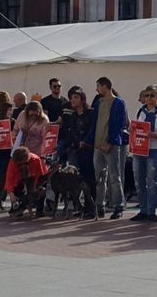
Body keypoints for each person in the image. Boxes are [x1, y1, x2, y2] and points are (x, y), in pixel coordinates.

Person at [86, 76, 128, 219]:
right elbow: (95, 123)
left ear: (105, 86)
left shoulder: (118, 103)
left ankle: (118, 205)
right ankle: (99, 204)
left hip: (111, 145)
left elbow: (118, 125)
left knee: (114, 176)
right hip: (98, 145)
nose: (97, 89)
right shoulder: (99, 103)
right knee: (99, 176)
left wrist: (110, 142)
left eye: (98, 86)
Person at [130, 85, 157, 222]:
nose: (149, 98)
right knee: (139, 180)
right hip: (140, 150)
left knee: (151, 181)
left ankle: (151, 211)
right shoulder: (141, 111)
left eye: (152, 95)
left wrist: (156, 135)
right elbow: (138, 129)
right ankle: (142, 209)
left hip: (155, 150)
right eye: (147, 95)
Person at [61, 89, 96, 218]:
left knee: (90, 179)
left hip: (90, 149)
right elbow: (73, 132)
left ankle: (92, 208)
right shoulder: (73, 116)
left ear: (82, 99)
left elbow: (93, 129)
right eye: (71, 98)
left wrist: (86, 140)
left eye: (76, 97)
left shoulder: (90, 113)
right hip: (78, 150)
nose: (73, 100)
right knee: (80, 179)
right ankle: (83, 208)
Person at [4, 147, 48, 217]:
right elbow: (9, 179)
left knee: (41, 189)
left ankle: (39, 210)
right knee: (16, 190)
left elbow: (39, 175)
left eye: (24, 163)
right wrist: (11, 194)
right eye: (19, 165)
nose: (22, 166)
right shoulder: (12, 162)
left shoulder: (36, 159)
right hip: (19, 179)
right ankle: (18, 207)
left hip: (33, 177)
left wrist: (35, 188)